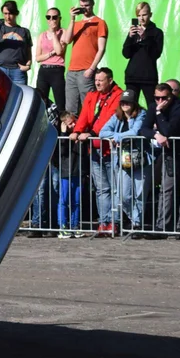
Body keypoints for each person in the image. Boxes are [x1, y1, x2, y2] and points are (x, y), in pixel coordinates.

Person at [69, 68, 123, 235]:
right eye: (96, 80)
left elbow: (109, 118)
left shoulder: (118, 95)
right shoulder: (92, 96)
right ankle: (103, 221)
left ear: (110, 80)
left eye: (101, 80)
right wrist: (77, 131)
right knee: (101, 188)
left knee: (115, 188)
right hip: (95, 148)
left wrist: (91, 134)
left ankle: (114, 222)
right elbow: (85, 115)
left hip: (110, 148)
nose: (98, 83)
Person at [140, 82, 180, 236]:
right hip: (170, 153)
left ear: (171, 96)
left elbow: (168, 130)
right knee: (166, 189)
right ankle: (162, 226)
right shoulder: (153, 106)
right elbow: (144, 128)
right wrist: (156, 135)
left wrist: (158, 114)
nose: (160, 101)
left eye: (164, 98)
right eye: (157, 98)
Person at [99, 90, 148, 234]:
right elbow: (102, 132)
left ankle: (137, 225)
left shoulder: (141, 114)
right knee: (123, 195)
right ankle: (135, 220)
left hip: (140, 159)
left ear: (134, 104)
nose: (125, 105)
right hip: (122, 160)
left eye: (128, 102)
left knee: (139, 194)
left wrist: (117, 137)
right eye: (123, 102)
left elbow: (135, 131)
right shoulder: (117, 116)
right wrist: (117, 136)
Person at [65, 0, 108, 116]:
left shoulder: (100, 23)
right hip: (72, 71)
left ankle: (88, 133)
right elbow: (67, 40)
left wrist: (91, 68)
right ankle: (71, 134)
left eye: (87, 6)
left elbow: (101, 48)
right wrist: (72, 19)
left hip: (87, 70)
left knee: (88, 106)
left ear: (93, 4)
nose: (85, 9)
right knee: (70, 108)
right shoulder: (77, 24)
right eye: (82, 6)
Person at [122, 1, 164, 109]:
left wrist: (145, 38)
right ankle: (131, 125)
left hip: (148, 77)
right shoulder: (134, 32)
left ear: (150, 14)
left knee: (152, 106)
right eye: (139, 15)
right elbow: (126, 54)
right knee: (130, 106)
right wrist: (130, 37)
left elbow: (156, 54)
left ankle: (153, 125)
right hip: (132, 76)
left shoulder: (157, 32)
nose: (141, 18)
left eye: (144, 14)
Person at [0, 0, 32, 85]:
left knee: (20, 96)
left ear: (16, 14)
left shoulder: (24, 31)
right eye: (5, 13)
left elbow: (28, 52)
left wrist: (28, 65)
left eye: (10, 13)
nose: (8, 17)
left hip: (17, 72)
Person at [55, 111, 85, 238]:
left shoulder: (79, 134)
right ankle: (63, 226)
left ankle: (75, 225)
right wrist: (63, 133)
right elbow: (62, 151)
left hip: (78, 170)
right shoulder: (62, 137)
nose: (73, 125)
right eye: (70, 124)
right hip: (65, 171)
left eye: (74, 122)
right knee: (64, 200)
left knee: (76, 201)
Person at [34, 8, 66, 112]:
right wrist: (51, 53)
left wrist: (54, 33)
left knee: (60, 103)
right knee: (41, 102)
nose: (51, 20)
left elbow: (59, 51)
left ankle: (61, 127)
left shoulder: (63, 32)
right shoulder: (42, 35)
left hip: (57, 70)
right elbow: (38, 58)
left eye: (54, 17)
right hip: (44, 70)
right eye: (48, 17)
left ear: (59, 18)